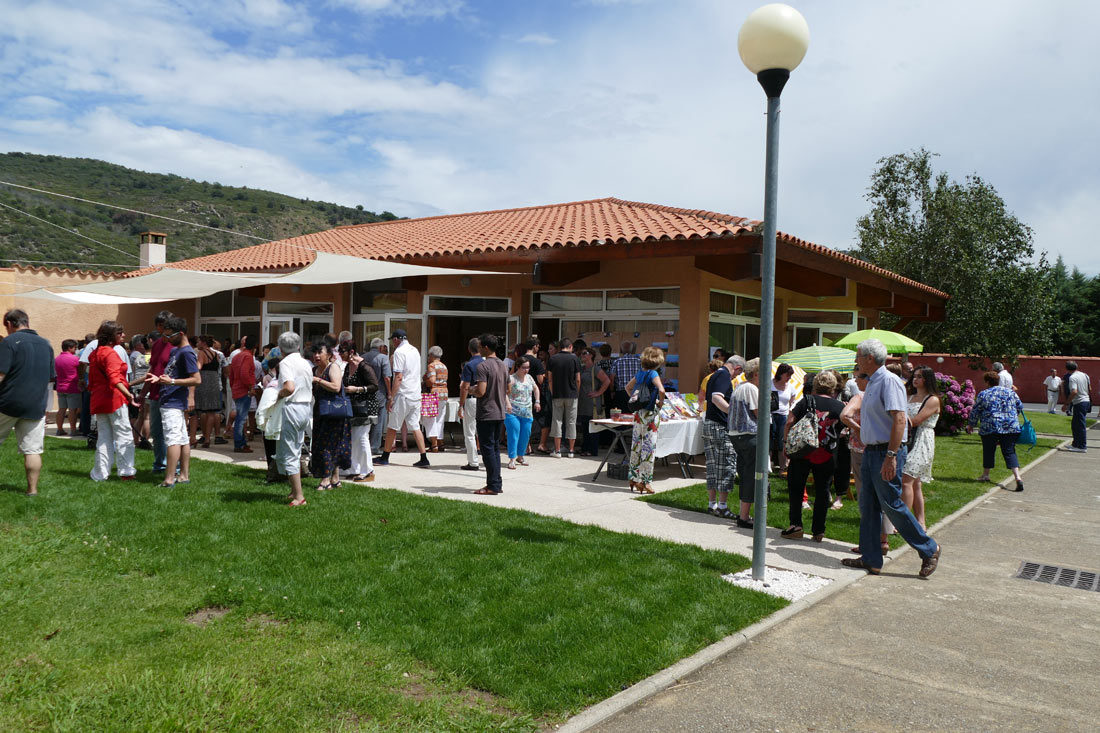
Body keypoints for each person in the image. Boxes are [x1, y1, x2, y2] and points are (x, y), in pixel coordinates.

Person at [842, 339, 940, 577]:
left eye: (858, 356)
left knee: (892, 504)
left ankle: (929, 548)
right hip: (871, 452)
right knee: (868, 506)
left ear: (870, 358)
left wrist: (891, 456)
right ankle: (871, 559)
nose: (856, 360)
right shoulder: (873, 382)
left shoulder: (889, 381)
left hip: (885, 452)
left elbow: (899, 420)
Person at [781, 371, 845, 541]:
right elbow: (845, 429)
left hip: (803, 451)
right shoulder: (839, 407)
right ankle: (818, 531)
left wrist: (786, 442)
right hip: (827, 453)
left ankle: (796, 526)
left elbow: (789, 421)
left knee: (796, 488)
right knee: (823, 491)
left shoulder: (806, 401)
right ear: (833, 387)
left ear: (815, 384)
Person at [0, 309, 54, 495]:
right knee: (32, 450)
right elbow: (49, 378)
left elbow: (1, 374)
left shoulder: (9, 342)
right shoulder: (46, 345)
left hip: (7, 402)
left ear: (9, 324)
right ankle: (32, 490)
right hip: (35, 405)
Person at [145, 315, 199, 488]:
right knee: (182, 439)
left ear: (181, 333)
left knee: (173, 439)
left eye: (169, 336)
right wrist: (160, 379)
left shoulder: (187, 352)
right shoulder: (176, 351)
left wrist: (173, 382)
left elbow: (197, 379)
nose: (165, 339)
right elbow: (173, 374)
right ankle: (183, 476)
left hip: (174, 403)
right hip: (170, 399)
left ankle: (169, 479)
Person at [88, 320, 136, 481]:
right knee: (124, 436)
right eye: (119, 333)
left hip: (99, 399)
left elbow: (93, 380)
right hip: (114, 399)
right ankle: (126, 472)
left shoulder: (95, 353)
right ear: (110, 336)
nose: (123, 336)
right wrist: (129, 395)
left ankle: (100, 474)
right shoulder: (110, 353)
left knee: (104, 437)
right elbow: (115, 379)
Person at [377, 329, 430, 468]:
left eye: (392, 340)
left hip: (403, 394)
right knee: (415, 426)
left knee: (392, 426)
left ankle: (385, 457)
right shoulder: (414, 350)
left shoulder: (399, 353)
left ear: (396, 339)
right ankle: (424, 457)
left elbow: (398, 377)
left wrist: (391, 397)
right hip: (415, 394)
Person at [703, 355, 746, 521]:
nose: (736, 377)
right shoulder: (723, 375)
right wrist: (733, 413)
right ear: (737, 368)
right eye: (737, 374)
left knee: (713, 466)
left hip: (710, 424)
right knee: (727, 465)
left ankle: (712, 504)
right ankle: (722, 506)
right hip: (720, 426)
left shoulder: (715, 374)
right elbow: (716, 397)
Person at [274, 332, 314, 506]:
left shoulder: (286, 363)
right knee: (296, 448)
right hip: (305, 407)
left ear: (281, 348)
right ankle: (293, 490)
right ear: (298, 346)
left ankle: (299, 496)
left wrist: (277, 396)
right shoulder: (305, 362)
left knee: (290, 451)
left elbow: (289, 388)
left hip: (292, 407)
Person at [967, 371, 1025, 489]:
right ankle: (1017, 477)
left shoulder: (984, 394)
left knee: (989, 450)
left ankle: (986, 474)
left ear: (987, 382)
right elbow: (1019, 406)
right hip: (1010, 427)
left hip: (990, 426)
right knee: (1009, 452)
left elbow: (976, 411)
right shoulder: (1010, 392)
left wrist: (971, 425)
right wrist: (1012, 417)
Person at [624, 346, 667, 494]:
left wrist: (636, 400)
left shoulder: (640, 373)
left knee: (636, 446)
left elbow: (628, 387)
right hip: (650, 414)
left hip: (638, 413)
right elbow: (661, 390)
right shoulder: (653, 373)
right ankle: (645, 481)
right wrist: (660, 403)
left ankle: (633, 478)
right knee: (649, 448)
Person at [136, 311, 174, 475]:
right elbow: (152, 370)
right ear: (158, 327)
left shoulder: (177, 345)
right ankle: (160, 464)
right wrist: (143, 393)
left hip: (171, 395)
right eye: (163, 326)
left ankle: (174, 466)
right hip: (155, 394)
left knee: (172, 433)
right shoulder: (157, 345)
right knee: (157, 432)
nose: (166, 329)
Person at [309, 341, 351, 490]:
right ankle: (335, 478)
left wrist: (318, 380)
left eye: (320, 352)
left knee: (328, 445)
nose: (316, 356)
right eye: (315, 353)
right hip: (321, 412)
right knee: (323, 444)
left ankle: (325, 479)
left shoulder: (333, 367)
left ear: (329, 355)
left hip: (334, 413)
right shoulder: (314, 370)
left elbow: (336, 387)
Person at [471, 333, 509, 495]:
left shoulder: (483, 366)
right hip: (500, 412)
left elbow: (481, 391)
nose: (479, 349)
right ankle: (496, 483)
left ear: (486, 348)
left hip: (487, 412)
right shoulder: (503, 365)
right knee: (494, 449)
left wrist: (471, 389)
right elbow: (508, 389)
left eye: (480, 346)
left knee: (487, 450)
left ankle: (492, 485)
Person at [902, 366, 941, 522]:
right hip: (907, 439)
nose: (915, 379)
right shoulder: (909, 396)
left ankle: (903, 521)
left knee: (906, 480)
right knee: (915, 483)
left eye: (919, 376)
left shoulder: (932, 399)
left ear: (927, 379)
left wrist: (897, 421)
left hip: (922, 440)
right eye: (914, 376)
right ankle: (921, 521)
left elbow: (916, 421)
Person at [725, 357, 759, 528]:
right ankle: (744, 517)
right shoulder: (752, 388)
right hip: (749, 434)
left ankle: (744, 514)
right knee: (751, 476)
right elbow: (758, 412)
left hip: (736, 434)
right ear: (757, 374)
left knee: (746, 474)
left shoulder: (739, 386)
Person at [339, 339, 378, 482]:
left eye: (342, 351)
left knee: (362, 438)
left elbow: (374, 386)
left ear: (351, 352)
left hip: (366, 407)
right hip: (353, 407)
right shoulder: (348, 367)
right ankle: (354, 469)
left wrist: (358, 389)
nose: (340, 354)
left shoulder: (364, 366)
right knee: (354, 438)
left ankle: (368, 470)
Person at [548, 338, 581, 458]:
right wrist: (576, 392)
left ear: (560, 347)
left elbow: (550, 378)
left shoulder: (553, 359)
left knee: (557, 421)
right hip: (572, 394)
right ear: (570, 346)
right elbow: (577, 379)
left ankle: (557, 451)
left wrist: (552, 391)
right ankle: (571, 450)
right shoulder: (575, 359)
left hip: (557, 394)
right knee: (571, 422)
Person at [504, 355, 539, 470]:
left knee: (525, 434)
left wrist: (537, 401)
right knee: (514, 434)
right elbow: (504, 392)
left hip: (527, 412)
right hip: (512, 411)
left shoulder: (529, 378)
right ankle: (512, 458)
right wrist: (508, 404)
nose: (526, 370)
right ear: (518, 367)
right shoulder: (511, 378)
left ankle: (521, 456)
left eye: (528, 367)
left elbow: (536, 388)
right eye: (524, 367)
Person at [577, 347, 611, 455]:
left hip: (593, 404)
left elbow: (607, 381)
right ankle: (585, 448)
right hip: (583, 402)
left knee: (592, 427)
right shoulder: (582, 369)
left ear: (591, 355)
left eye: (584, 353)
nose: (582, 355)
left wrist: (598, 392)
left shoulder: (595, 369)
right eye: (581, 354)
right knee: (585, 427)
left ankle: (592, 450)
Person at [191, 334, 222, 448]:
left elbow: (198, 367)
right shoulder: (216, 354)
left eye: (199, 342)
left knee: (199, 412)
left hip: (203, 382)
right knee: (211, 412)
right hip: (214, 383)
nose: (197, 344)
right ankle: (208, 438)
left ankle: (201, 436)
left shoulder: (201, 353)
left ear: (203, 343)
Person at [364, 337, 392, 455]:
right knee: (378, 421)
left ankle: (363, 446)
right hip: (379, 393)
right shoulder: (383, 358)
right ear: (381, 347)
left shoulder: (362, 357)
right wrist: (389, 393)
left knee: (365, 421)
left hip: (364, 393)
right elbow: (386, 377)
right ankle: (374, 447)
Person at [229, 335, 257, 453]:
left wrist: (233, 386)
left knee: (240, 418)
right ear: (255, 347)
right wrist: (251, 387)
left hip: (236, 389)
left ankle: (241, 443)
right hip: (244, 390)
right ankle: (239, 444)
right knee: (241, 419)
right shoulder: (248, 356)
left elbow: (231, 375)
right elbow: (245, 373)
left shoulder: (237, 356)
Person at [458, 337, 482, 471]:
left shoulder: (469, 365)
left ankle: (473, 462)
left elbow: (465, 387)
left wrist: (461, 405)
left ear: (469, 349)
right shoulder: (487, 363)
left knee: (470, 432)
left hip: (472, 400)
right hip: (485, 400)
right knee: (484, 432)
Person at [770, 363, 796, 473]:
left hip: (783, 416)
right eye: (788, 375)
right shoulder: (770, 383)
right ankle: (767, 468)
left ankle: (782, 468)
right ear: (781, 374)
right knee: (769, 442)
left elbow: (792, 402)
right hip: (770, 415)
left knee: (782, 442)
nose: (789, 378)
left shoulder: (790, 387)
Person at [422, 345, 449, 452]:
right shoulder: (444, 366)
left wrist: (425, 382)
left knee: (431, 419)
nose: (428, 357)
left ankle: (434, 445)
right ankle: (440, 442)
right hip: (444, 394)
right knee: (440, 419)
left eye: (429, 355)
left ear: (432, 355)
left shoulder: (432, 366)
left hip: (434, 394)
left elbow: (432, 380)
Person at [127, 334, 151, 449]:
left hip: (137, 388)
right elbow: (148, 375)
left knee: (140, 416)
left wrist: (132, 384)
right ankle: (145, 441)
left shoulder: (137, 358)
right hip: (147, 388)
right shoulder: (151, 358)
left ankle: (135, 440)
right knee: (147, 416)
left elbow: (134, 372)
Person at [1062, 360, 1091, 452]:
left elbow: (1074, 391)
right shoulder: (1084, 375)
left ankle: (1082, 446)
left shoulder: (1072, 377)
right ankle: (1075, 444)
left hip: (1080, 402)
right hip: (1086, 401)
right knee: (1075, 424)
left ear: (1067, 369)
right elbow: (1089, 388)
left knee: (1080, 425)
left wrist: (1066, 404)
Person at [54, 338, 81, 436]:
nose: (75, 350)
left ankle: (59, 429)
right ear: (70, 348)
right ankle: (73, 430)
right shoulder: (74, 359)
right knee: (72, 409)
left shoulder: (57, 359)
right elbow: (80, 370)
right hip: (72, 387)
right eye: (74, 348)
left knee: (61, 409)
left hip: (60, 387)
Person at [610, 341, 641, 414]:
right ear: (631, 349)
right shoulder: (640, 361)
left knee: (622, 416)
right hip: (636, 392)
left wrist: (612, 391)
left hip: (621, 393)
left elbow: (611, 379)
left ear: (621, 350)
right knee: (635, 415)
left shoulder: (616, 361)